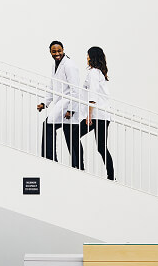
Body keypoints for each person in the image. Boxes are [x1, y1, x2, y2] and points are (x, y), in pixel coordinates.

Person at [36, 41, 83, 169]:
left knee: (52, 127)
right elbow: (52, 85)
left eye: (59, 51)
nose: (57, 54)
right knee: (68, 134)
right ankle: (54, 160)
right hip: (61, 104)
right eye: (54, 51)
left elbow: (76, 90)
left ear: (63, 50)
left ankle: (53, 160)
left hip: (68, 104)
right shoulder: (55, 65)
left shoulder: (69, 65)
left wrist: (71, 110)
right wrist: (44, 103)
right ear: (50, 52)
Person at [79, 46, 114, 180]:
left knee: (73, 134)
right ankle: (111, 176)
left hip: (97, 115)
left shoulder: (94, 73)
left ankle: (79, 166)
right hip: (103, 115)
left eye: (88, 55)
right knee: (101, 147)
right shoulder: (99, 73)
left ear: (92, 57)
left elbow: (92, 95)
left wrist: (89, 115)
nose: (86, 58)